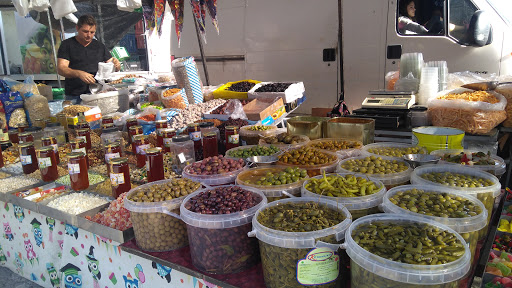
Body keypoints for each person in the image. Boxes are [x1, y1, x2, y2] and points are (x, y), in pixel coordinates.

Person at [57, 15, 121, 98]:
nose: (89, 35)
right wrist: (79, 74)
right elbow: (61, 69)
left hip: (98, 93)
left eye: (92, 32)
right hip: (75, 94)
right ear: (77, 28)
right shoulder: (67, 45)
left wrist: (116, 65)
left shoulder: (99, 46)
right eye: (85, 31)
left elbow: (112, 66)